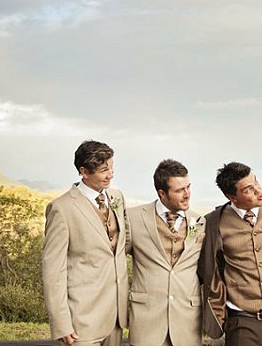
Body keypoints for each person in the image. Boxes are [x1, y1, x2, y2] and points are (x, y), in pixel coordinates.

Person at [197, 162, 262, 346]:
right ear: (232, 197)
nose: (259, 191)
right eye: (249, 190)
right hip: (242, 321)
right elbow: (207, 267)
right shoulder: (213, 223)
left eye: (256, 183)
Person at [42, 140, 129, 345]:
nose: (110, 174)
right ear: (84, 172)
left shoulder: (117, 197)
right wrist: (61, 322)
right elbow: (53, 270)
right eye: (103, 170)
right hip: (82, 318)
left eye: (111, 167)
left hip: (116, 316)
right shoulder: (61, 209)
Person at [125, 159, 206, 346]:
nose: (187, 194)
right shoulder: (133, 218)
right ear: (162, 193)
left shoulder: (200, 221)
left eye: (188, 187)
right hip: (147, 320)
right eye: (179, 190)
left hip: (187, 321)